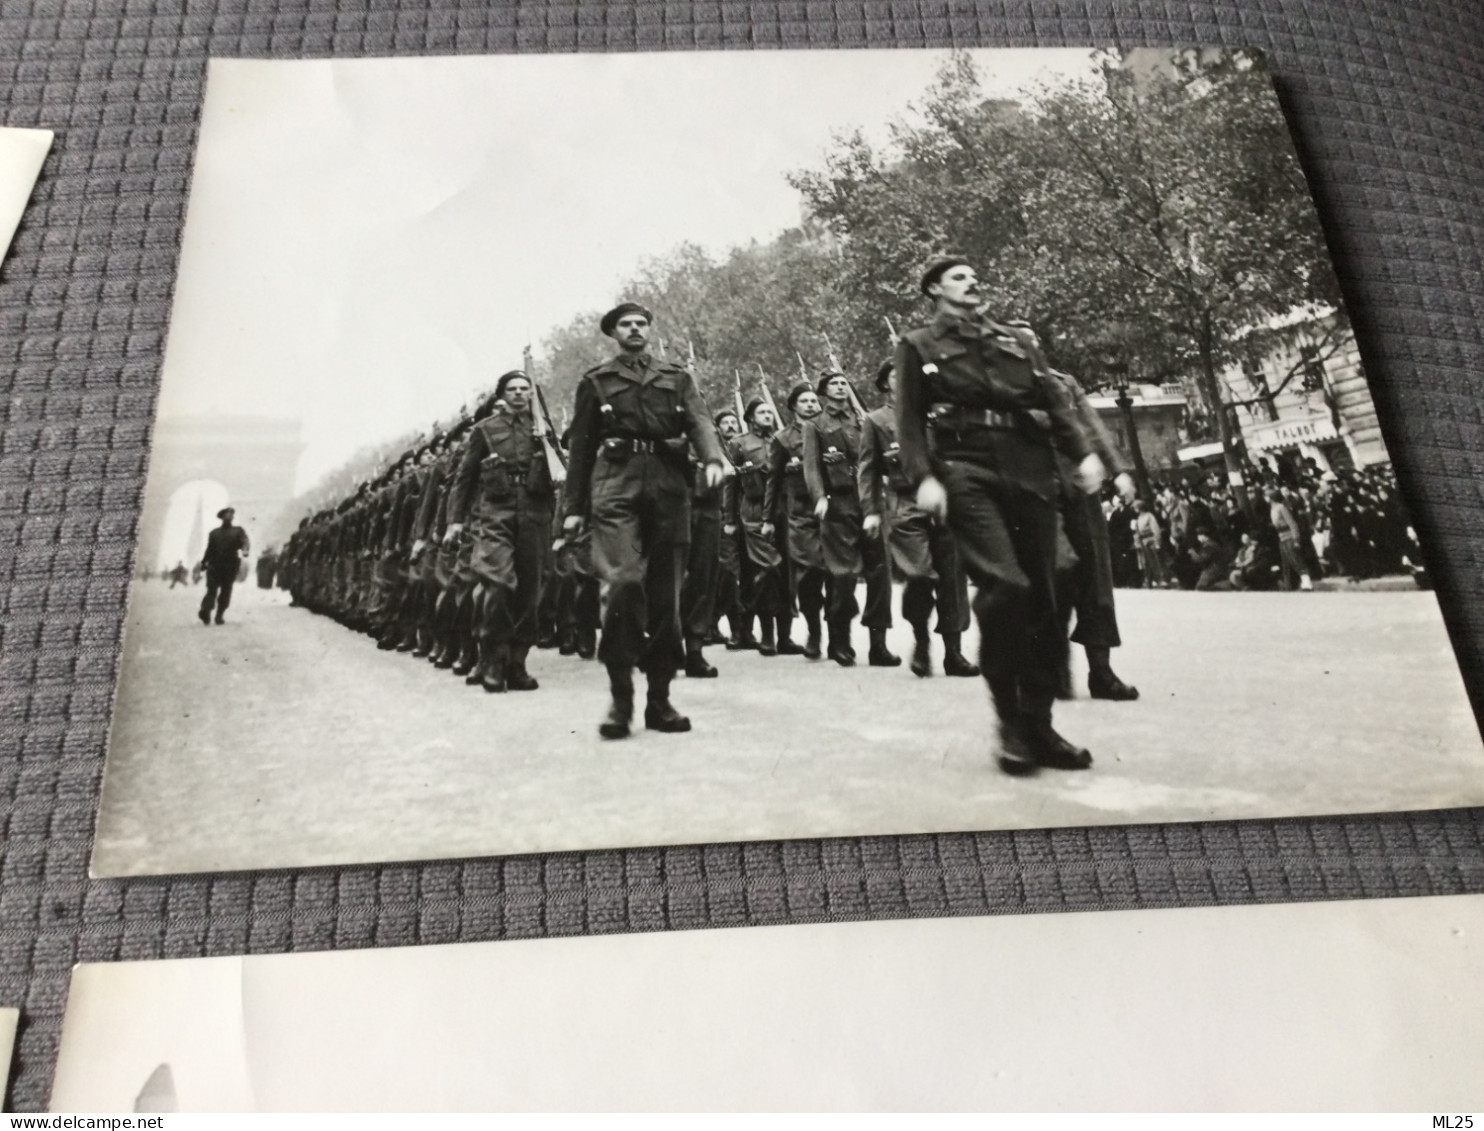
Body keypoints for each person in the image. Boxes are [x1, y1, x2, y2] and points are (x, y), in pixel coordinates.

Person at [896, 257, 1105, 775]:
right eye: (959, 277)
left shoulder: (1016, 340)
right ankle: (1009, 722)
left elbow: (1054, 401)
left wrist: (1084, 452)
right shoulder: (919, 345)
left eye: (974, 274)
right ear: (935, 290)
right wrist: (923, 477)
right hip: (966, 468)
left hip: (1029, 467)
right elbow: (909, 420)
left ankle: (1039, 721)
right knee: (1006, 585)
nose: (972, 282)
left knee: (1054, 583)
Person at [562, 302, 727, 738]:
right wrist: (573, 510)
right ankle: (621, 698)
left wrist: (712, 458)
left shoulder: (676, 378)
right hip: (616, 489)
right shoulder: (597, 382)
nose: (635, 329)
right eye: (626, 324)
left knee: (666, 597)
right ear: (614, 333)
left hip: (669, 490)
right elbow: (580, 451)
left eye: (641, 324)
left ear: (649, 330)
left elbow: (700, 421)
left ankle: (659, 699)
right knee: (623, 583)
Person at [859, 357, 977, 678]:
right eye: (899, 376)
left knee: (952, 579)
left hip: (943, 503)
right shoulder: (876, 421)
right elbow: (868, 470)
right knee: (921, 575)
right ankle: (921, 640)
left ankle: (953, 652)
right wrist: (870, 511)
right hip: (904, 505)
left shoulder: (936, 414)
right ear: (886, 383)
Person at [445, 371, 555, 692]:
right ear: (502, 395)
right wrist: (455, 520)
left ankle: (517, 663)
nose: (520, 394)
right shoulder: (485, 430)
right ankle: (492, 659)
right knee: (498, 585)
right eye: (513, 389)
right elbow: (463, 479)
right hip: (496, 514)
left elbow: (559, 472)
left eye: (525, 389)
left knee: (530, 593)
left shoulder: (542, 430)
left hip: (534, 514)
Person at [804, 368, 899, 668]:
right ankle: (839, 640)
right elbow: (811, 466)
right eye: (834, 383)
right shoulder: (816, 425)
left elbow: (879, 458)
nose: (841, 387)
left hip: (869, 502)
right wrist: (818, 496)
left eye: (844, 382)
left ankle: (878, 645)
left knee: (879, 573)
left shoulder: (865, 419)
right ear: (823, 390)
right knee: (843, 576)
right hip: (837, 504)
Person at [725, 398, 796, 655]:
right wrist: (729, 520)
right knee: (769, 568)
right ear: (751, 418)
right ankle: (767, 635)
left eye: (769, 411)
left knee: (786, 571)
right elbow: (730, 485)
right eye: (762, 412)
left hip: (783, 509)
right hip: (753, 511)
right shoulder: (739, 443)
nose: (767, 415)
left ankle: (785, 638)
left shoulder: (781, 440)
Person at [766, 383, 828, 660]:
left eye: (814, 400)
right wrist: (767, 517)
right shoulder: (782, 439)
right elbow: (773, 480)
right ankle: (814, 630)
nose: (811, 405)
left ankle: (837, 635)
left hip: (832, 510)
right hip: (800, 513)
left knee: (839, 574)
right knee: (809, 573)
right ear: (793, 406)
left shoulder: (830, 430)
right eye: (804, 401)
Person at [199, 507, 250, 625]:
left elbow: (245, 541)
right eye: (227, 514)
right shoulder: (213, 533)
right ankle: (206, 611)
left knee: (225, 590)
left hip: (230, 565)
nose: (230, 516)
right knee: (212, 589)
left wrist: (245, 550)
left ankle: (219, 615)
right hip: (214, 564)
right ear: (222, 517)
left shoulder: (238, 531)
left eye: (231, 515)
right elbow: (209, 549)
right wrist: (203, 562)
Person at [1267, 488, 1313, 591]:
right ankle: (1289, 586)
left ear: (1272, 499)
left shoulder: (1281, 508)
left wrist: (1296, 539)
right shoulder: (1273, 509)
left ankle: (1307, 583)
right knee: (1286, 562)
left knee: (1296, 560)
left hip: (1289, 537)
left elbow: (1292, 523)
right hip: (1282, 538)